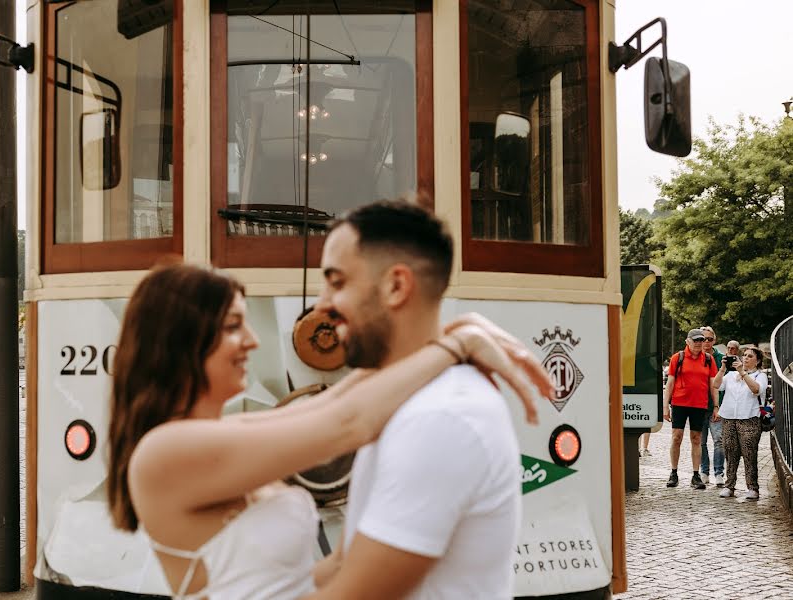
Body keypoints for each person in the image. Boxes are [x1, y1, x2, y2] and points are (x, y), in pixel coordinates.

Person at [106, 261, 552, 599]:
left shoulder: (220, 433)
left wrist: (454, 330)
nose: (253, 341)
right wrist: (456, 345)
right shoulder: (164, 452)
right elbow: (347, 423)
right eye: (232, 327)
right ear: (181, 340)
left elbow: (336, 402)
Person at [308, 200, 540, 599]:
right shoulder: (410, 399)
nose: (321, 304)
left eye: (337, 282)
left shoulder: (439, 418)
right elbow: (343, 561)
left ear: (397, 286)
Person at [663, 328, 718, 489]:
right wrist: (665, 405)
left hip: (699, 404)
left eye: (702, 340)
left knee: (696, 439)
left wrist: (716, 406)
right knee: (676, 437)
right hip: (679, 403)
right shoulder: (677, 358)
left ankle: (696, 475)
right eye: (696, 340)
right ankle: (674, 472)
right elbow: (670, 383)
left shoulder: (708, 359)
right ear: (687, 341)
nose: (699, 343)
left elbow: (713, 384)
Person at [713, 345, 768, 500]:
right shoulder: (730, 375)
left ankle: (752, 488)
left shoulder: (759, 376)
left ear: (757, 361)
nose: (745, 358)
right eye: (745, 355)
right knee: (730, 453)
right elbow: (716, 385)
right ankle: (729, 485)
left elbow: (756, 389)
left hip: (749, 418)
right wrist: (723, 368)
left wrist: (742, 372)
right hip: (729, 418)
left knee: (749, 454)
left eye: (750, 356)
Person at [699, 326, 724, 486]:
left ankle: (719, 473)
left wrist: (720, 406)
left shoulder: (721, 358)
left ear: (714, 340)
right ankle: (704, 471)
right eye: (703, 339)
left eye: (709, 339)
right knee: (700, 442)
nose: (706, 342)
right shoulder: (694, 357)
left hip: (717, 406)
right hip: (699, 406)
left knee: (718, 440)